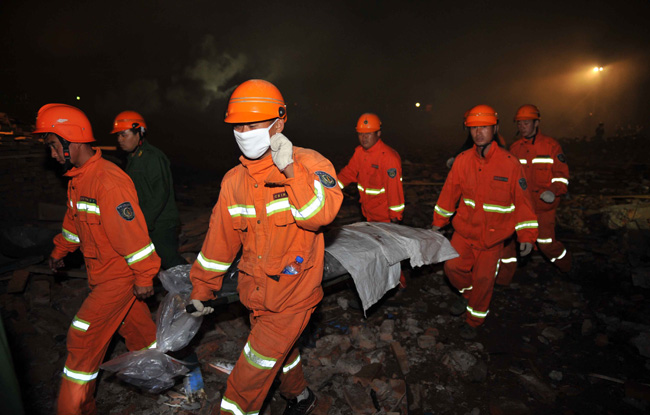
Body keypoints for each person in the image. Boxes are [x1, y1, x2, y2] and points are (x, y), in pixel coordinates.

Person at [188, 80, 343, 415]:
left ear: (279, 122)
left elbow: (320, 215)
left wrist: (289, 169)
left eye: (253, 124)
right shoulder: (234, 181)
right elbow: (219, 242)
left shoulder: (310, 164)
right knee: (282, 355)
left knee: (241, 390)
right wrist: (203, 287)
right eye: (238, 125)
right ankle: (300, 398)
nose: (244, 132)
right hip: (254, 294)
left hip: (293, 295)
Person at [36, 104, 161, 415]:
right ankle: (167, 379)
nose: (51, 154)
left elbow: (134, 237)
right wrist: (59, 250)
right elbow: (73, 223)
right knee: (140, 333)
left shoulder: (108, 182)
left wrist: (145, 276)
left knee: (81, 338)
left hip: (118, 277)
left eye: (53, 145)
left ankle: (75, 409)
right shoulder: (78, 181)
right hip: (102, 274)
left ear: (72, 141)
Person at [432, 105, 538, 339]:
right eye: (474, 127)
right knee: (452, 267)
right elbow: (449, 194)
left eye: (484, 127)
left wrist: (527, 236)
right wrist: (438, 222)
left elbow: (523, 202)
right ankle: (468, 294)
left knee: (484, 280)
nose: (479, 132)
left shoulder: (510, 164)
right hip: (464, 232)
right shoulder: (462, 160)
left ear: (495, 128)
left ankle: (473, 322)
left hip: (493, 238)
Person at [496, 105, 571, 285]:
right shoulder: (515, 148)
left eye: (526, 123)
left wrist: (553, 191)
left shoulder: (551, 146)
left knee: (546, 244)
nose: (522, 126)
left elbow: (562, 175)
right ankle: (503, 280)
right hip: (521, 206)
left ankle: (567, 266)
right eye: (519, 123)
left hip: (543, 208)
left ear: (536, 123)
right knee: (507, 242)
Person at [336, 113, 407, 287]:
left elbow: (394, 191)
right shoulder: (360, 153)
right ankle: (387, 285)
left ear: (378, 134)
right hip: (368, 214)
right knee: (378, 254)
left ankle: (398, 285)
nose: (364, 137)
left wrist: (395, 218)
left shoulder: (388, 157)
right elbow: (348, 173)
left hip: (384, 218)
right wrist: (332, 189)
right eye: (361, 133)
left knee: (388, 255)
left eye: (368, 133)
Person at [112, 111, 186, 269]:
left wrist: (142, 223)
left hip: (160, 223)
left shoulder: (152, 157)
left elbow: (160, 194)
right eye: (118, 135)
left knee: (170, 262)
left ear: (140, 133)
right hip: (147, 221)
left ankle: (199, 289)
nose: (119, 140)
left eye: (124, 135)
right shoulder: (133, 158)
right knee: (152, 264)